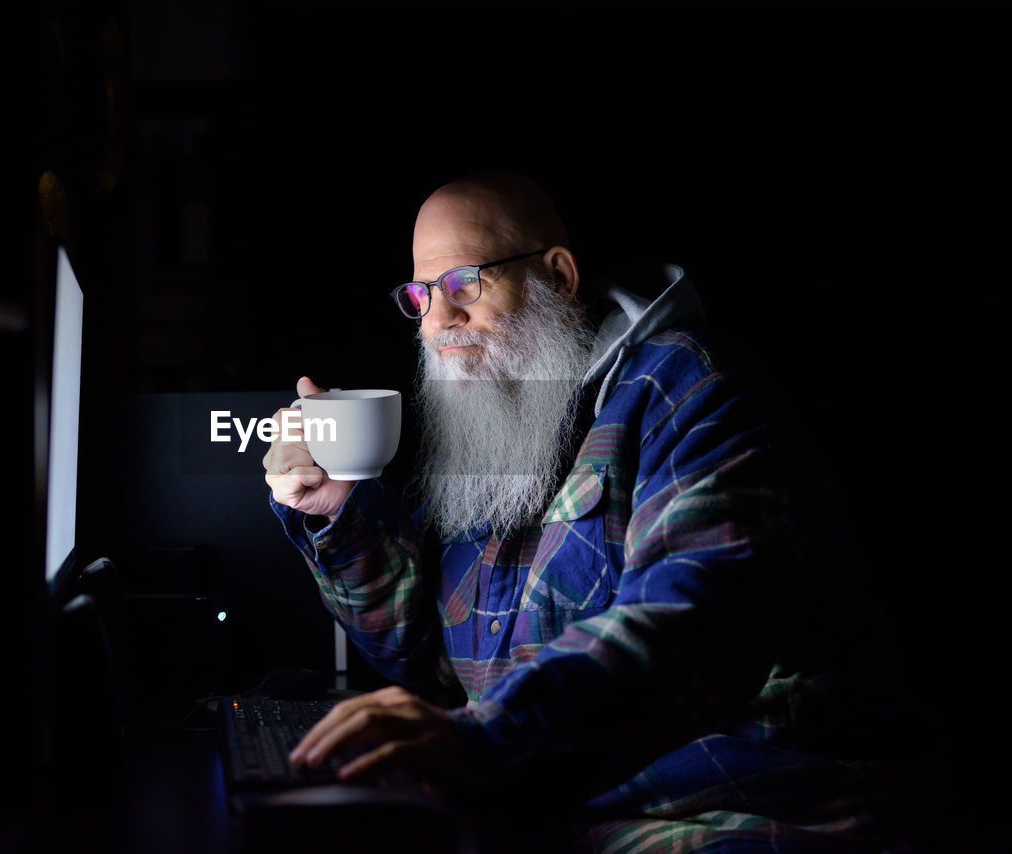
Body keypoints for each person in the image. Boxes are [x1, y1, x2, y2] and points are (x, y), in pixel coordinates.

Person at [262, 171, 906, 852]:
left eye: (463, 285)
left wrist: (484, 740)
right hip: (551, 812)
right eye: (421, 294)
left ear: (558, 276)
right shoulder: (495, 427)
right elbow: (429, 664)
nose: (438, 321)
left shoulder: (690, 388)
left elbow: (691, 627)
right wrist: (340, 512)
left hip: (730, 815)